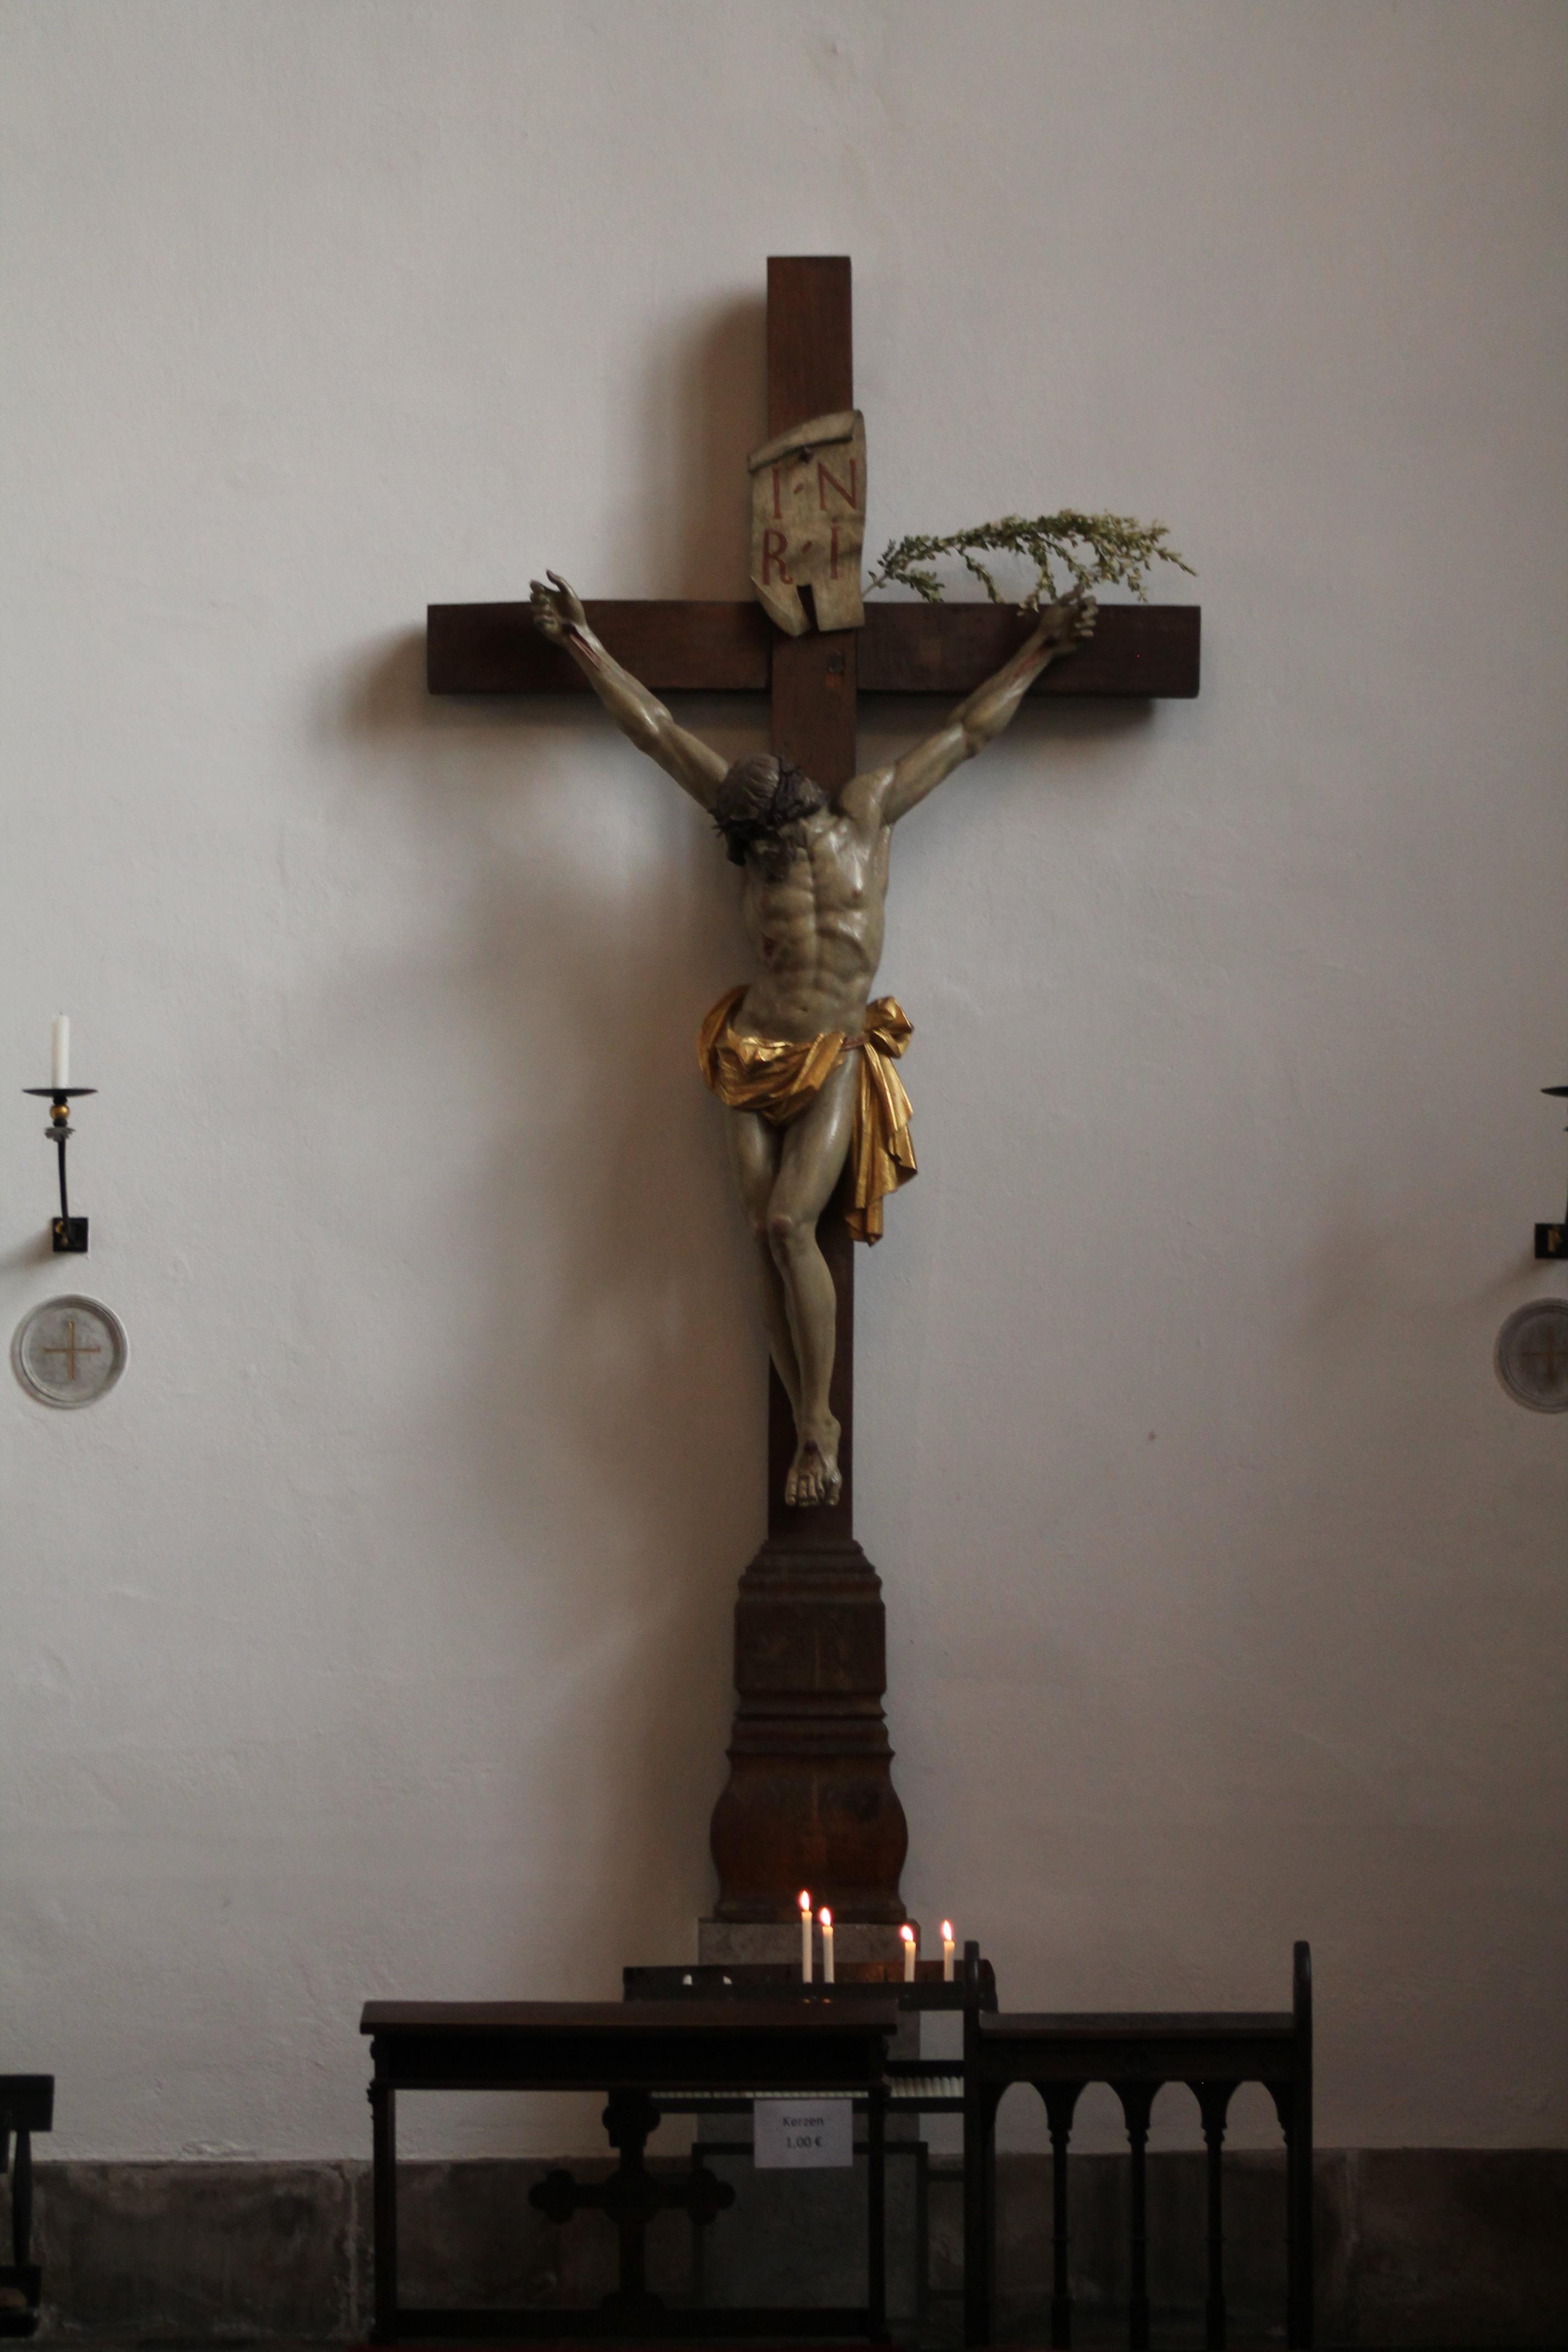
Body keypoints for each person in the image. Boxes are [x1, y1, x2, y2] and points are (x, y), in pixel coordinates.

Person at [529, 571, 1094, 1506]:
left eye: (774, 839)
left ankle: (819, 1422)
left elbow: (965, 734)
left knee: (792, 1224)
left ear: (797, 805)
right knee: (761, 1237)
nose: (766, 859)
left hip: (834, 1051)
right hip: (751, 1049)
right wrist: (579, 642)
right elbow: (656, 732)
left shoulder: (867, 813)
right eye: (752, 849)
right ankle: (808, 1427)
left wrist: (1042, 648)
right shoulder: (750, 832)